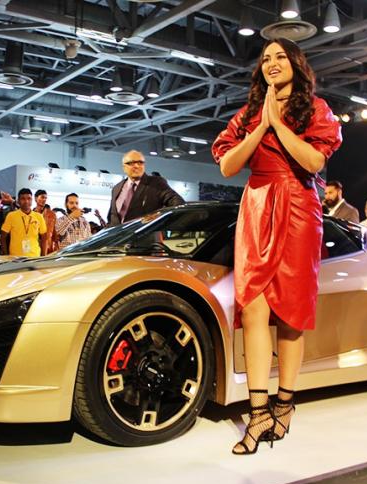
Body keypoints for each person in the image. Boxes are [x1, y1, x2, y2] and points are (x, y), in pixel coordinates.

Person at [212, 37, 342, 454]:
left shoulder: (316, 109)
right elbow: (228, 165)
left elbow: (313, 162)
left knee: (291, 315)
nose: (271, 63)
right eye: (266, 58)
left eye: (280, 57)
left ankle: (284, 403)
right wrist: (262, 126)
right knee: (253, 309)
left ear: (295, 64)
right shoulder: (248, 113)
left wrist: (280, 125)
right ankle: (258, 412)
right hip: (256, 205)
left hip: (299, 207)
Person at [107, 150, 185, 226]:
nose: (136, 166)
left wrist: (159, 219)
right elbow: (112, 217)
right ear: (124, 167)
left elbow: (178, 204)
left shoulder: (156, 183)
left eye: (140, 162)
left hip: (146, 234)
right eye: (131, 163)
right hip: (118, 234)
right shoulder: (117, 188)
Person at [0, 188, 47, 257]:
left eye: (29, 198)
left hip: (34, 257)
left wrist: (43, 257)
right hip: (15, 258)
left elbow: (44, 238)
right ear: (18, 201)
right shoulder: (11, 216)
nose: (26, 201)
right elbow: (3, 237)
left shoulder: (39, 217)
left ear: (32, 200)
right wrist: (6, 256)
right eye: (23, 199)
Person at [34, 189, 58, 254]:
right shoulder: (31, 214)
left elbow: (55, 234)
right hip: (34, 247)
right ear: (35, 198)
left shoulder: (52, 215)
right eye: (42, 197)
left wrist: (55, 248)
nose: (44, 199)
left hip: (48, 248)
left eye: (45, 198)